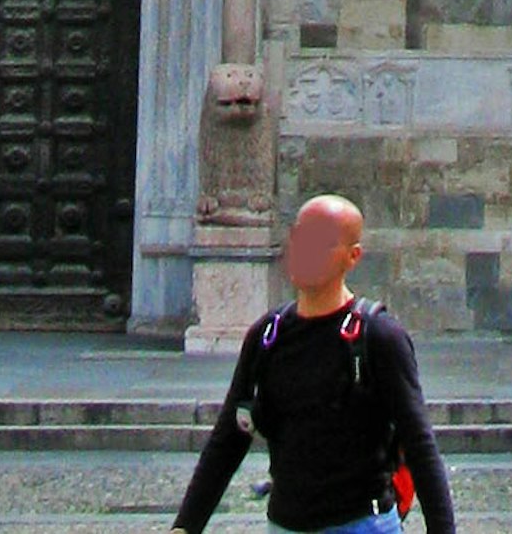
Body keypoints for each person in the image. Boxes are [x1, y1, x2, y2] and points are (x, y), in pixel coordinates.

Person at [176, 196, 455, 534]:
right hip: (285, 525)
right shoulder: (267, 335)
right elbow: (228, 440)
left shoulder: (379, 337)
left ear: (353, 257)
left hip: (361, 525)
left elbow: (419, 443)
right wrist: (185, 527)